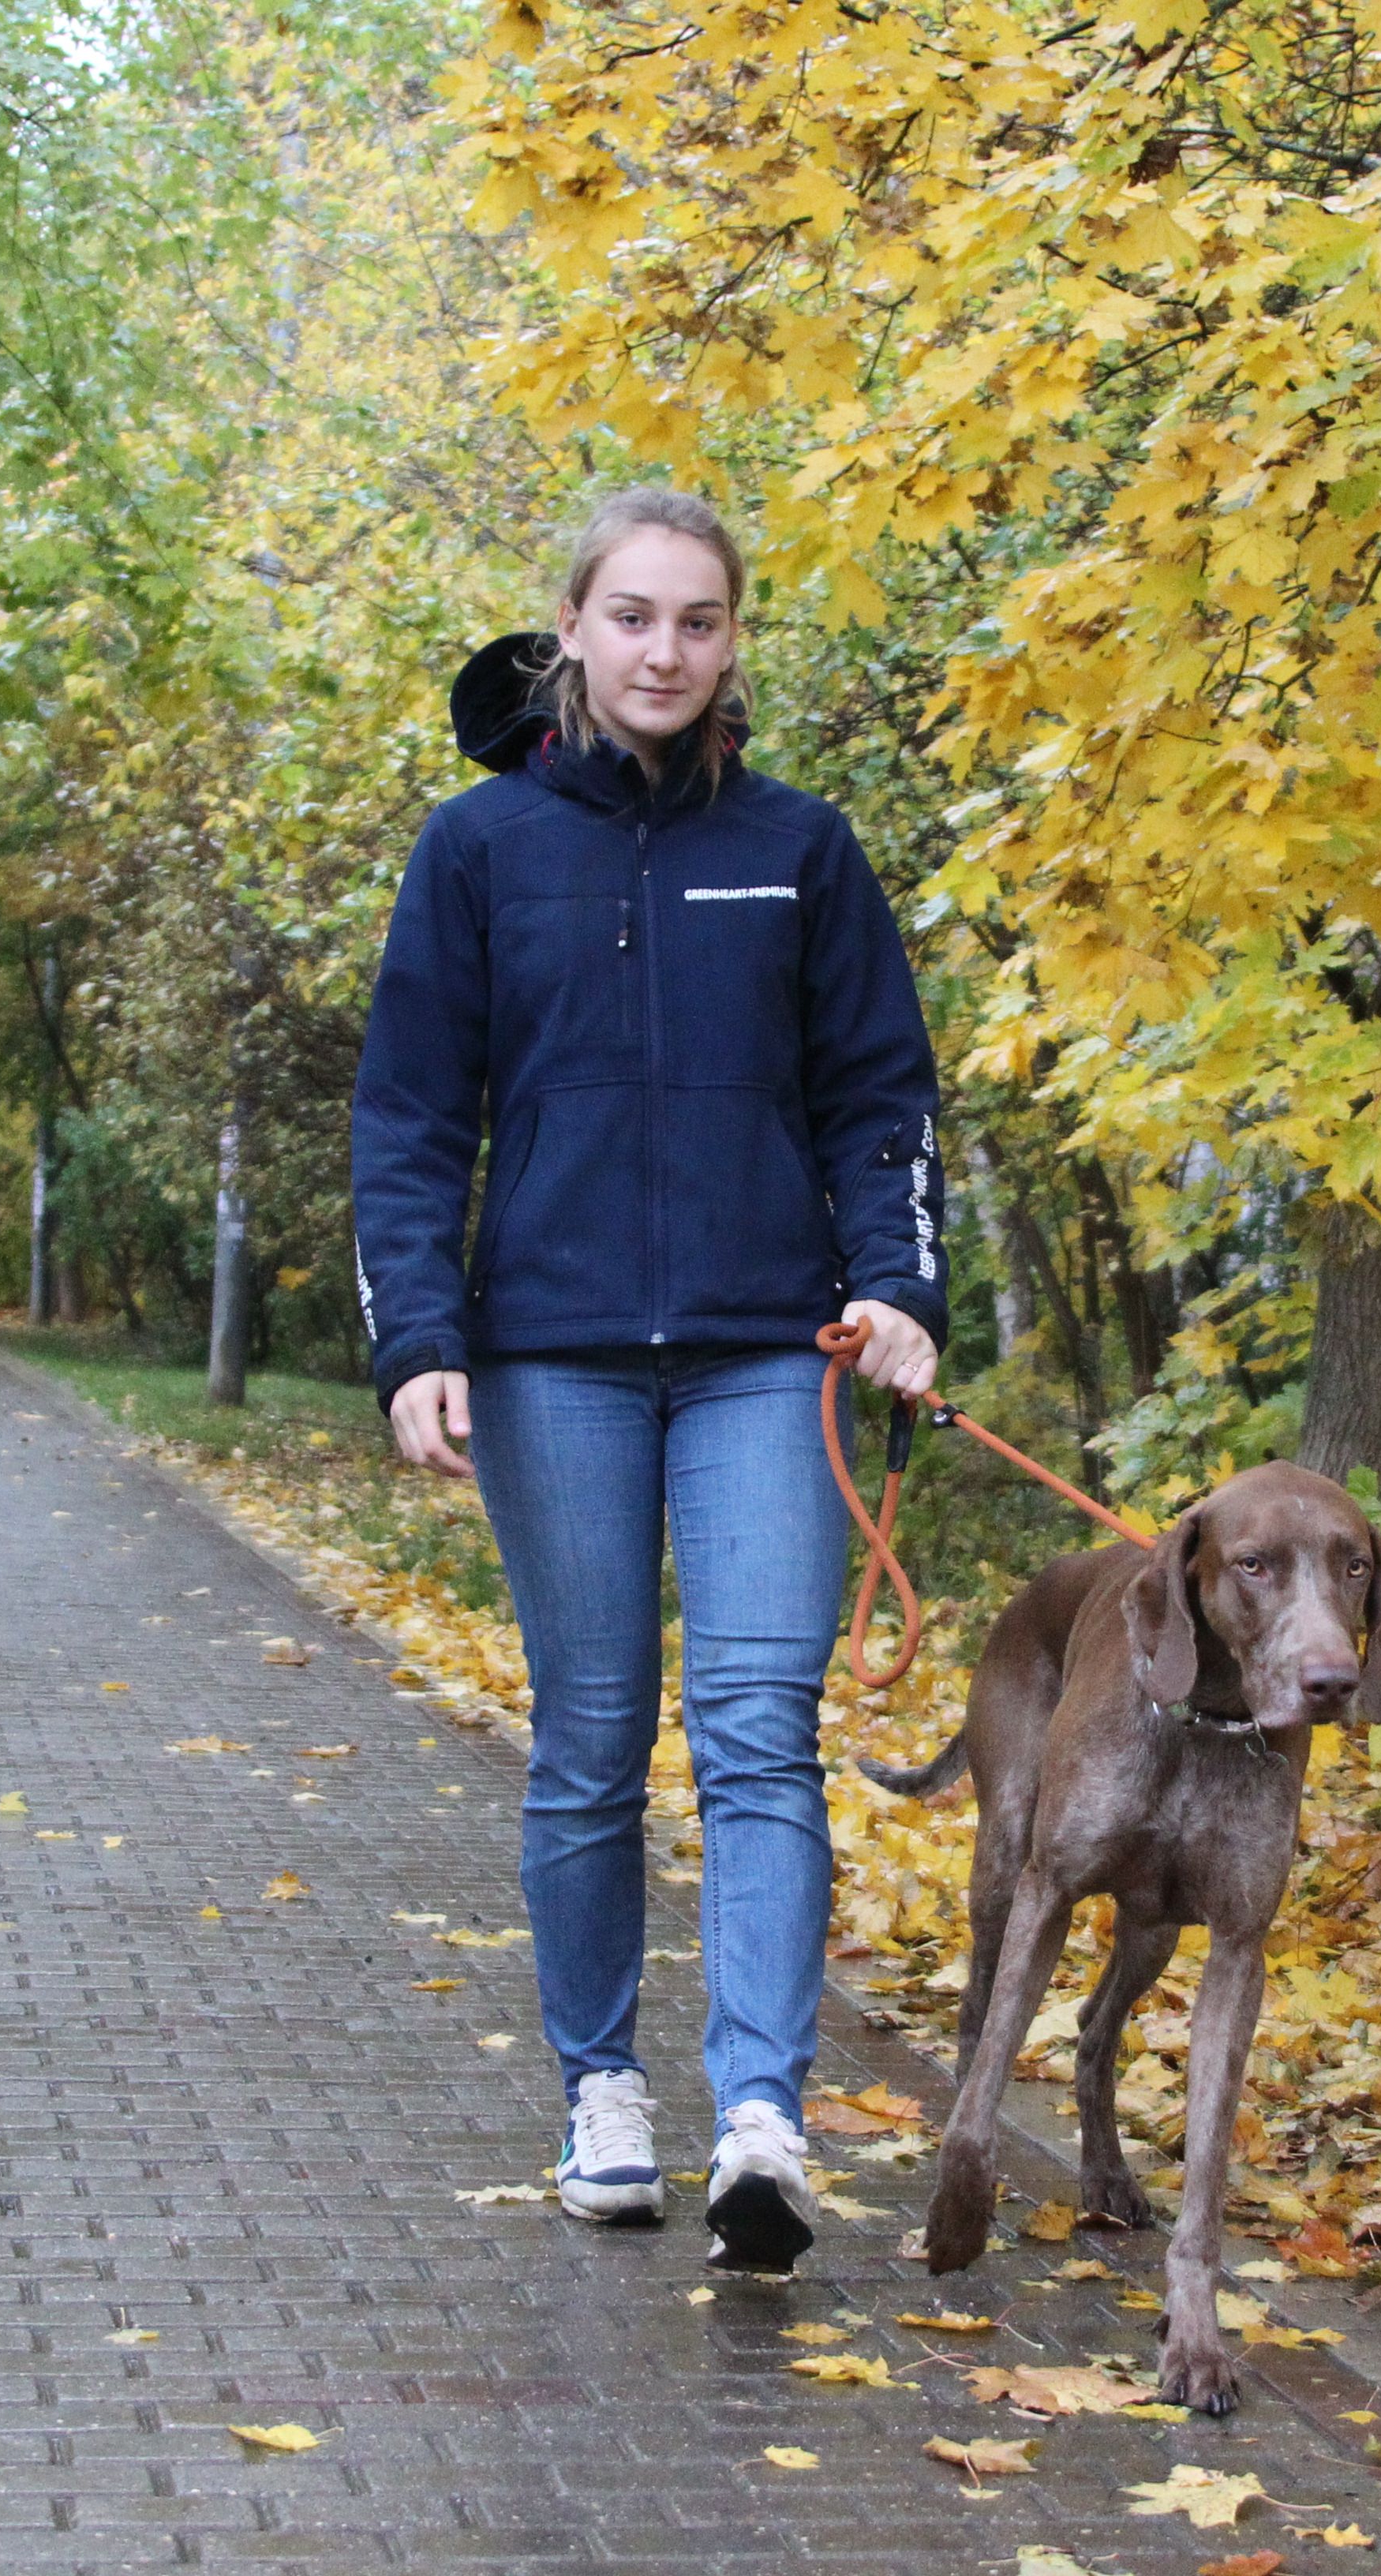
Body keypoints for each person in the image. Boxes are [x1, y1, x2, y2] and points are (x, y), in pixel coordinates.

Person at [351, 486, 946, 2271]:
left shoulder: (802, 848)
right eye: (632, 617)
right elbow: (405, 1118)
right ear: (575, 630)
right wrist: (418, 1338)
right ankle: (601, 2090)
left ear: (733, 639)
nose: (664, 651)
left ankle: (761, 2114)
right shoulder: (478, 851)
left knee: (761, 1731)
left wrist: (899, 1288)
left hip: (774, 1355)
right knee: (596, 1742)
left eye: (698, 621)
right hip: (554, 1362)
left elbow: (878, 1099)